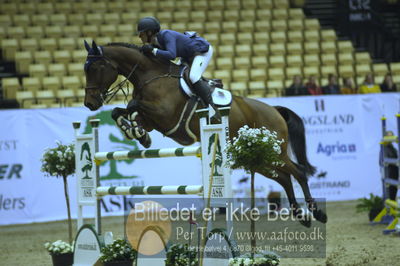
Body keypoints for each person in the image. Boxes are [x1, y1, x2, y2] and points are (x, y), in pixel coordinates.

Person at [136, 16, 221, 121]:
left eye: (142, 34)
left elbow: (172, 55)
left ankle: (212, 110)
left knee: (193, 77)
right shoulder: (155, 43)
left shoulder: (166, 35)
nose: (140, 36)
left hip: (201, 51)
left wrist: (153, 51)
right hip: (186, 55)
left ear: (149, 33)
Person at [379, 131, 399, 201]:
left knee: (393, 191)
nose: (390, 138)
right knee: (389, 192)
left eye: (391, 136)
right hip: (389, 173)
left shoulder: (393, 148)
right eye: (389, 136)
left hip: (394, 173)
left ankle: (392, 206)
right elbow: (382, 161)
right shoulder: (384, 148)